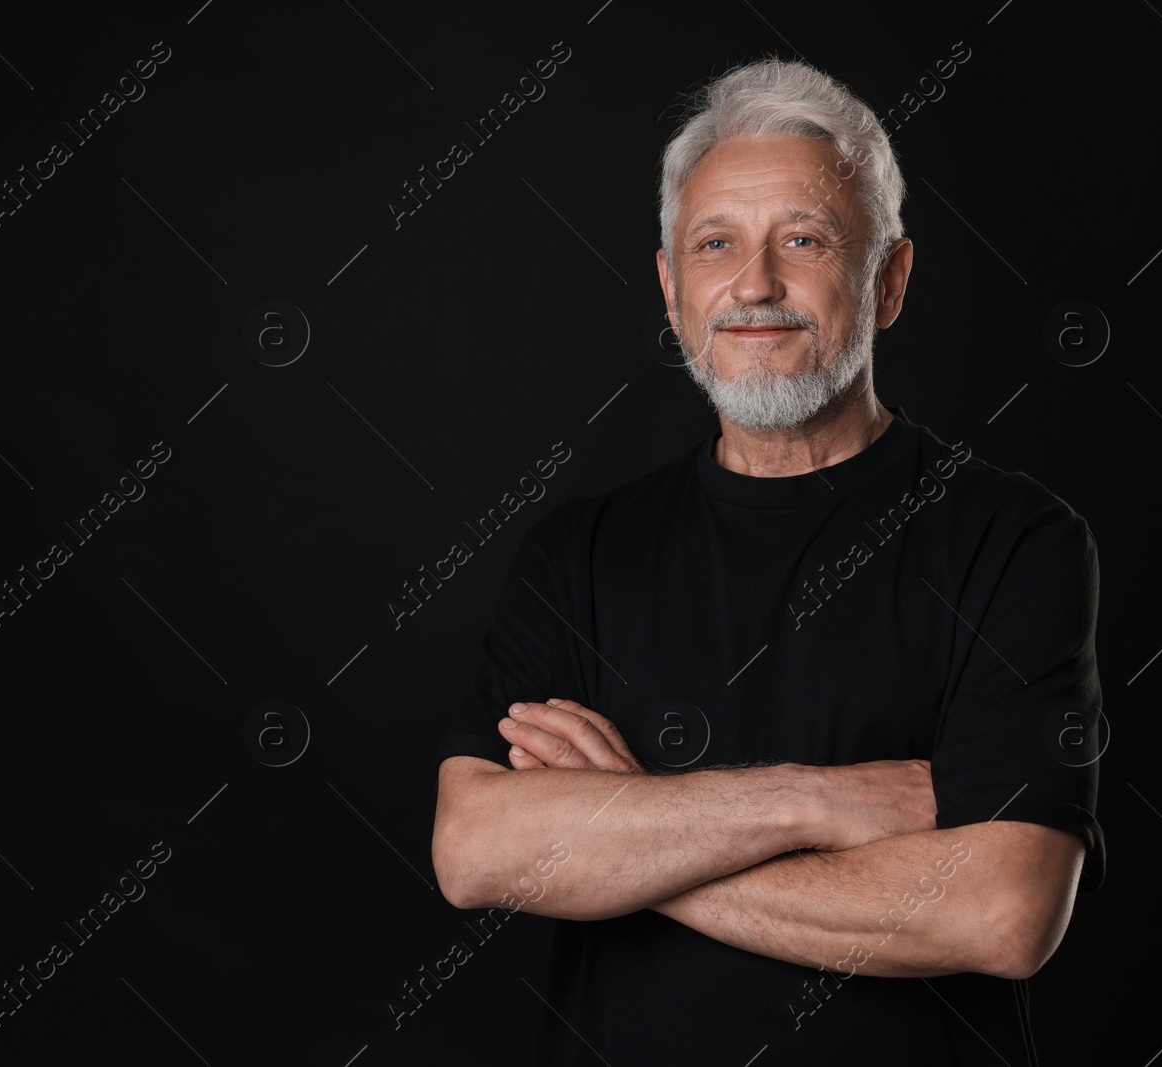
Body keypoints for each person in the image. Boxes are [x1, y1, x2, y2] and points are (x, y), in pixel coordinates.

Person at [430, 58, 1104, 1066]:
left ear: (888, 280)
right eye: (714, 245)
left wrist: (629, 828)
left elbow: (1001, 912)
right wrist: (816, 802)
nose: (753, 284)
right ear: (670, 287)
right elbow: (476, 848)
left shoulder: (1012, 540)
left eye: (803, 239)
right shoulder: (577, 551)